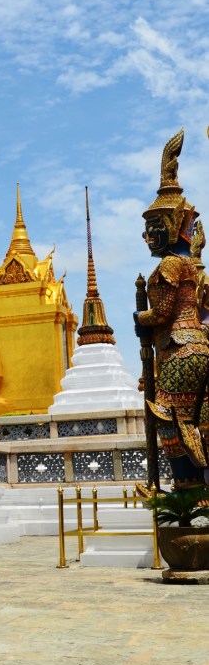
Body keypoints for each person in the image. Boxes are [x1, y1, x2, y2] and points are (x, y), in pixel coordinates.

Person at [134, 129, 209, 491]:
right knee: (198, 418)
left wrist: (139, 319)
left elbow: (161, 313)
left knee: (168, 416)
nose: (148, 237)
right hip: (196, 346)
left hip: (178, 350)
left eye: (153, 229)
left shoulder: (168, 266)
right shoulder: (190, 265)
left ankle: (188, 489)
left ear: (171, 226)